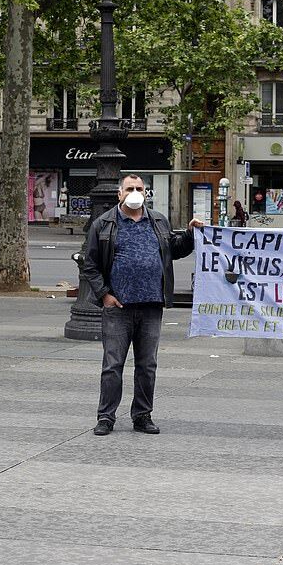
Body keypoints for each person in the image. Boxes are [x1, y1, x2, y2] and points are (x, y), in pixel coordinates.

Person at [82, 174, 204, 436]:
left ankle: (142, 415)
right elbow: (89, 263)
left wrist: (191, 234)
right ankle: (106, 417)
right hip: (118, 307)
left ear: (146, 193)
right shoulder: (103, 224)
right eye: (130, 188)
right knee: (113, 365)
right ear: (119, 194)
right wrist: (104, 295)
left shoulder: (158, 221)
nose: (134, 192)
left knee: (147, 365)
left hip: (151, 306)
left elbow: (175, 249)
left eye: (139, 188)